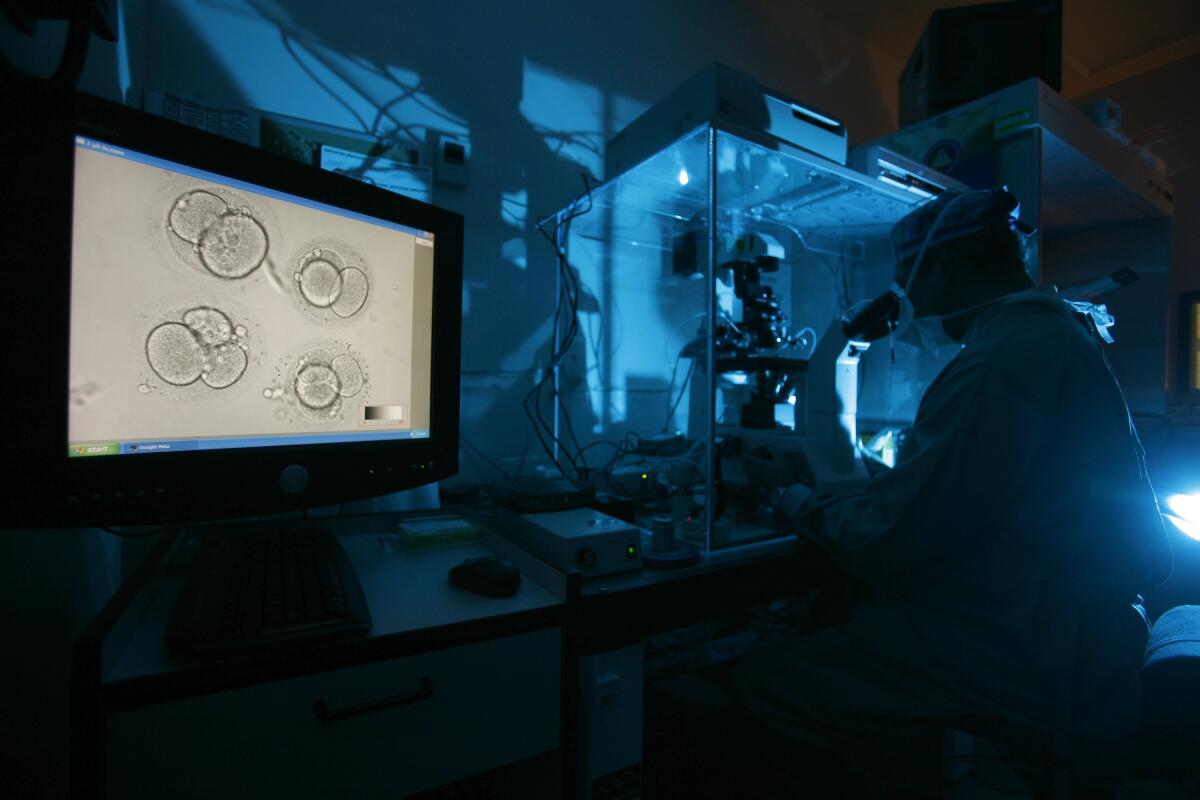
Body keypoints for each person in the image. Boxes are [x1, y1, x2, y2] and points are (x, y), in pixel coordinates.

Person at [726, 188, 1174, 791]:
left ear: (943, 266)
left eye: (908, 281)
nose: (907, 303)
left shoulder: (998, 361)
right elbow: (985, 493)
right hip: (1076, 624)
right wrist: (879, 480)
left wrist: (793, 498)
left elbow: (883, 545)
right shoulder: (1055, 336)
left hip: (1037, 646)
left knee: (765, 677)